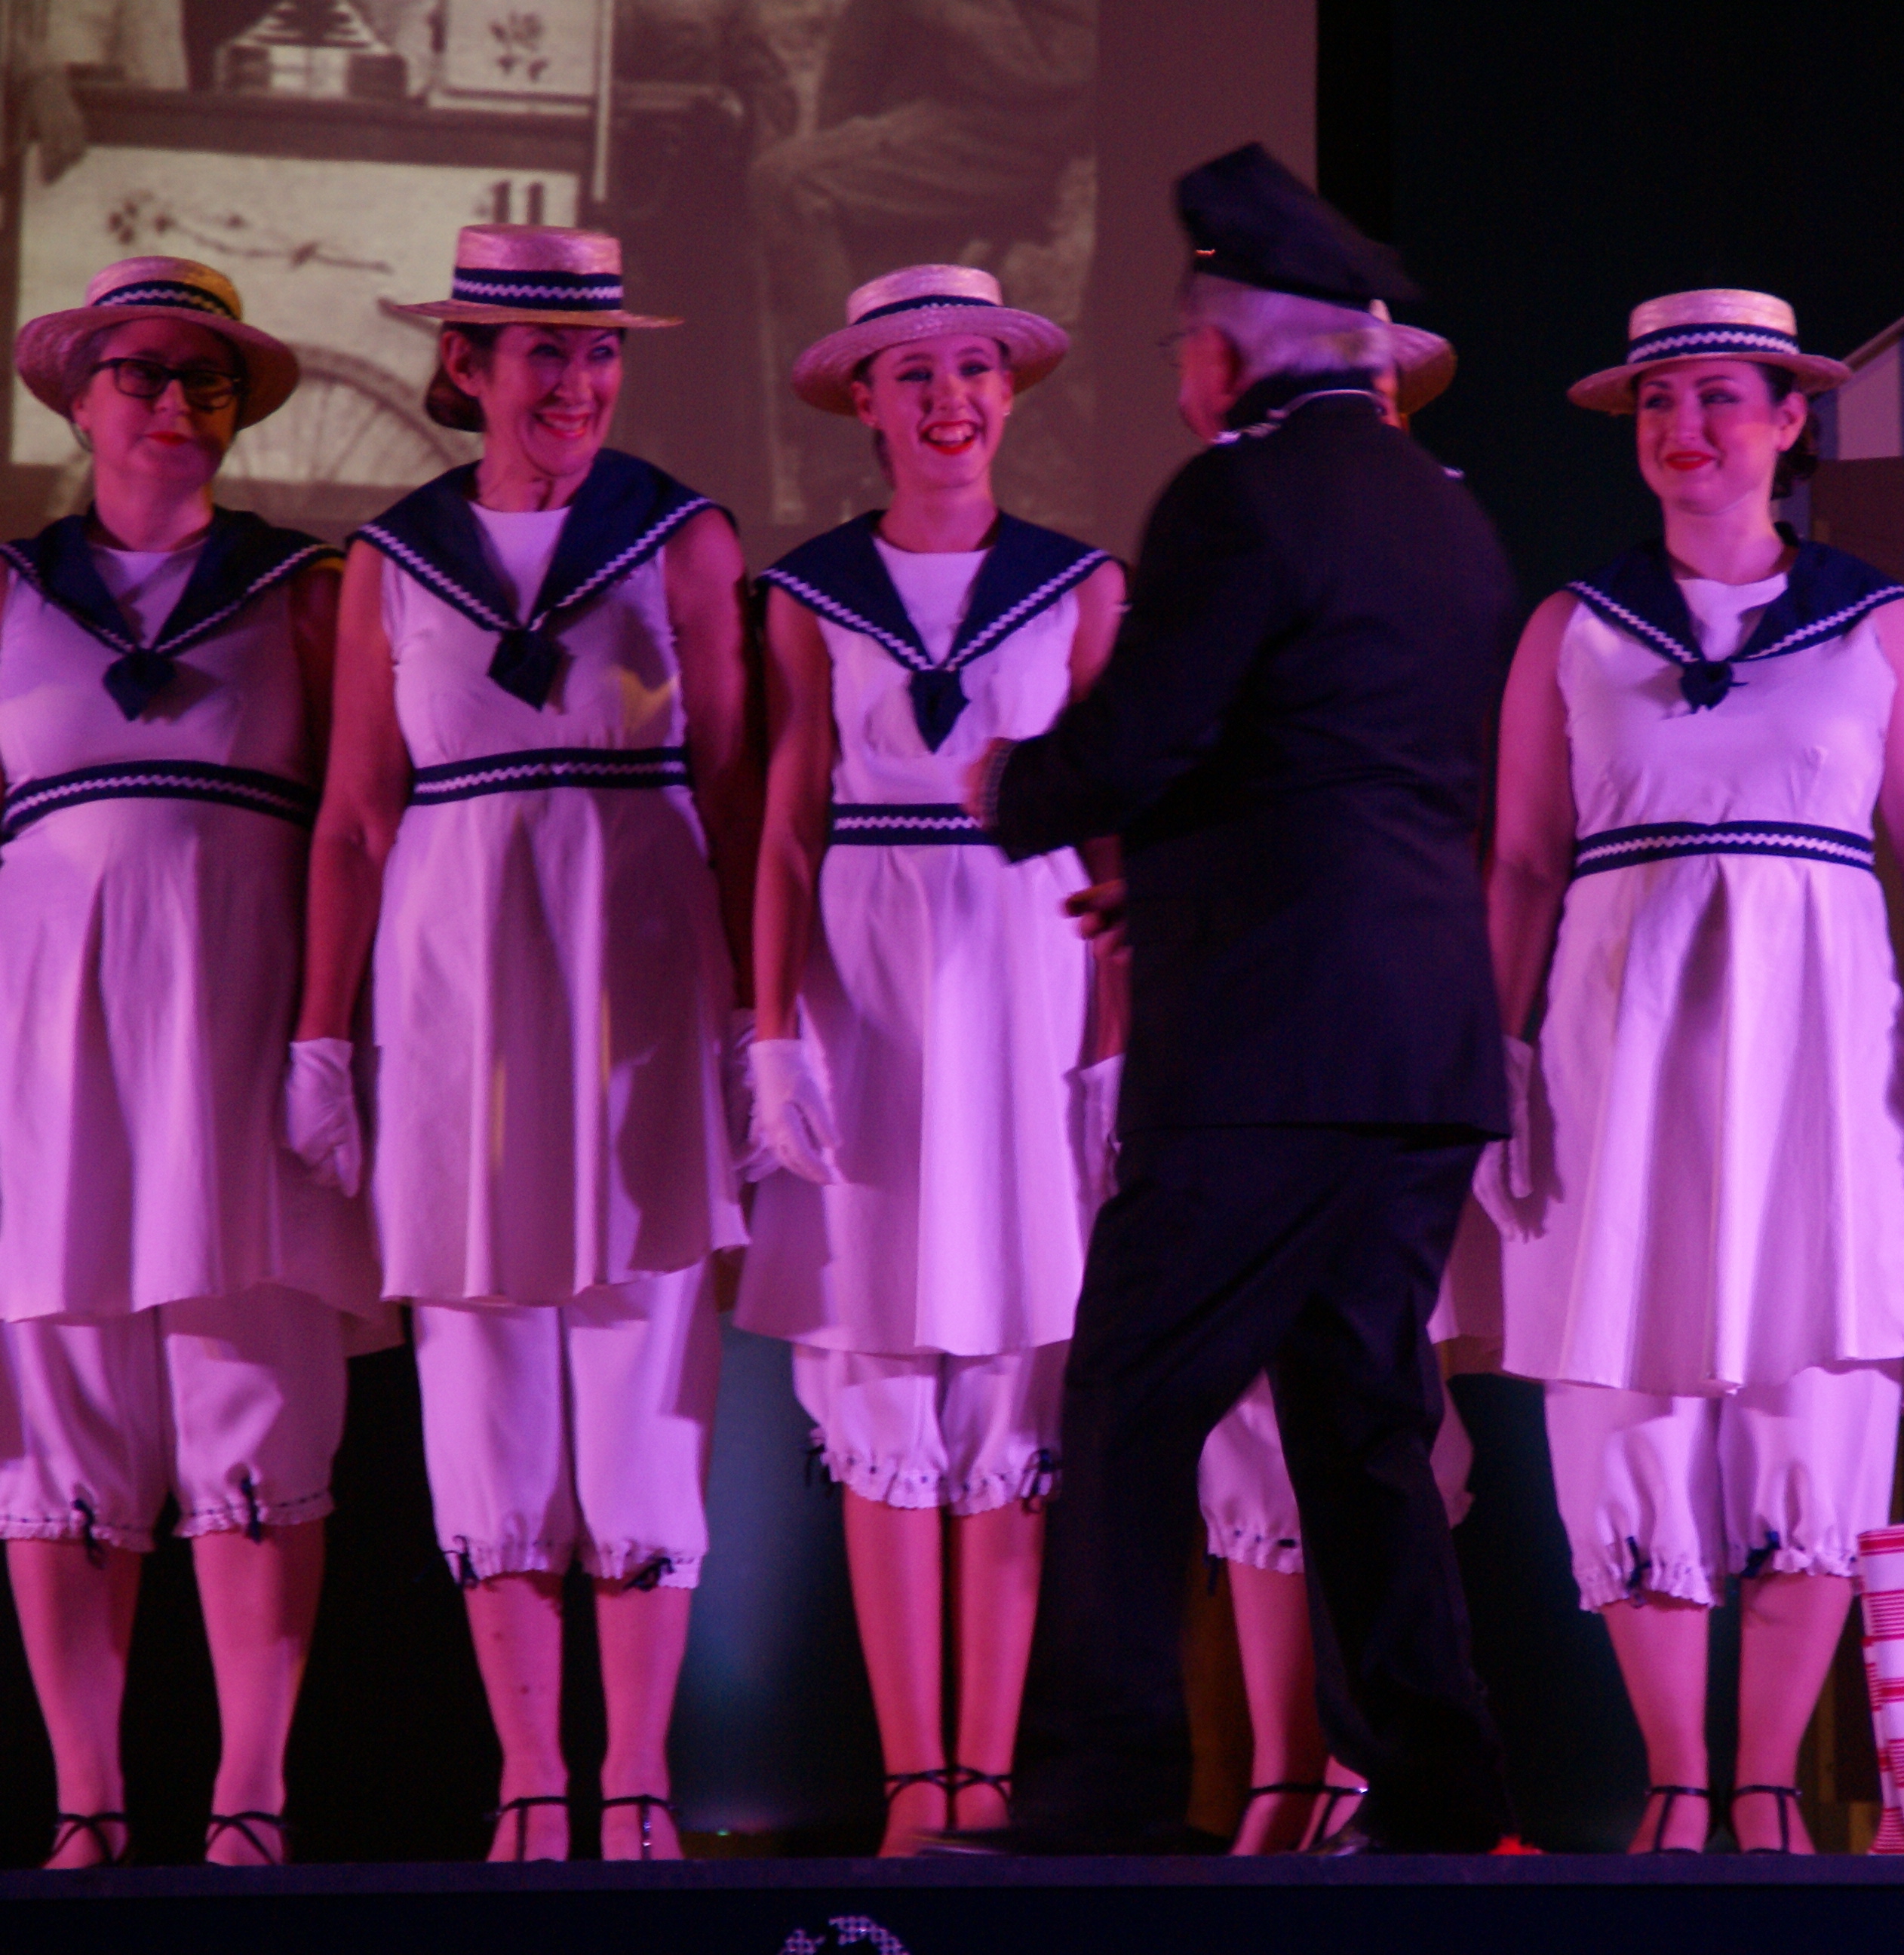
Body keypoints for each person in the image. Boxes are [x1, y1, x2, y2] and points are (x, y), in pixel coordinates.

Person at [969, 143, 1515, 1854]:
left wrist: (1018, 785)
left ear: (1229, 346)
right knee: (1361, 1420)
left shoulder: (1237, 498)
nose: (1179, 374)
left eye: (1180, 343)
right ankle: (1438, 1792)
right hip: (1419, 1038)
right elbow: (1342, 758)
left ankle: (1103, 1792)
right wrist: (1185, 869)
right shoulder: (1447, 509)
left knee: (1133, 1399)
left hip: (1268, 1043)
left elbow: (1150, 730)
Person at [1478, 289, 1904, 1852]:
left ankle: (1766, 1789)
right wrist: (1492, 1048)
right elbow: (1521, 857)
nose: (1683, 428)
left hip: (1819, 1051)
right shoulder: (1574, 626)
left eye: (1715, 398)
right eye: (1657, 402)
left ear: (1786, 420)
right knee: (1628, 1376)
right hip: (1620, 1048)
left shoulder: (1873, 622)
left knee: (1809, 1381)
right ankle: (1678, 1787)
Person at [293, 225, 755, 1862]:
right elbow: (358, 814)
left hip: (636, 971)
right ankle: (531, 1782)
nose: (578, 381)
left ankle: (636, 1780)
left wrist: (761, 1013)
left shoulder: (679, 534)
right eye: (544, 350)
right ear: (466, 367)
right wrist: (320, 1033)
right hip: (456, 984)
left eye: (600, 349)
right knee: (480, 1365)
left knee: (641, 1351)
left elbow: (739, 785)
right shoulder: (392, 557)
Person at [734, 262, 1119, 1856]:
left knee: (1015, 1368)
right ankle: (914, 1785)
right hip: (872, 980)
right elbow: (784, 822)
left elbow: (1112, 824)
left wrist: (1112, 1041)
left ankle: (992, 1785)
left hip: (1027, 971)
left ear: (1007, 393)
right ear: (865, 404)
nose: (948, 398)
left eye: (973, 368)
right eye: (914, 374)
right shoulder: (810, 592)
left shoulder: (1079, 586)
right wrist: (772, 1029)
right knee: (884, 1353)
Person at [0, 256, 378, 1870]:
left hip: (236, 1024)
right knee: (64, 1404)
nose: (172, 399)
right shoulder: (10, 590)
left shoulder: (303, 589)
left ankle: (250, 1801)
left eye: (203, 378)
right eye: (141, 372)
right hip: (49, 1038)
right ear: (80, 400)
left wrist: (329, 1038)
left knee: (252, 1400)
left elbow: (359, 823)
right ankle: (87, 1803)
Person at [1192, 315, 1475, 1858]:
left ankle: (1382, 1765)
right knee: (1254, 1397)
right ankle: (1278, 1767)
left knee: (1378, 1393)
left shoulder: (1444, 548)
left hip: (1396, 1013)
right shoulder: (1232, 538)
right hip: (1254, 1008)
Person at [746, 0, 1095, 520]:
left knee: (790, 188)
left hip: (1006, 134)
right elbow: (857, 56)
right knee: (809, 198)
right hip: (933, 114)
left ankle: (852, 448)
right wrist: (840, 149)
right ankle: (859, 452)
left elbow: (1055, 66)